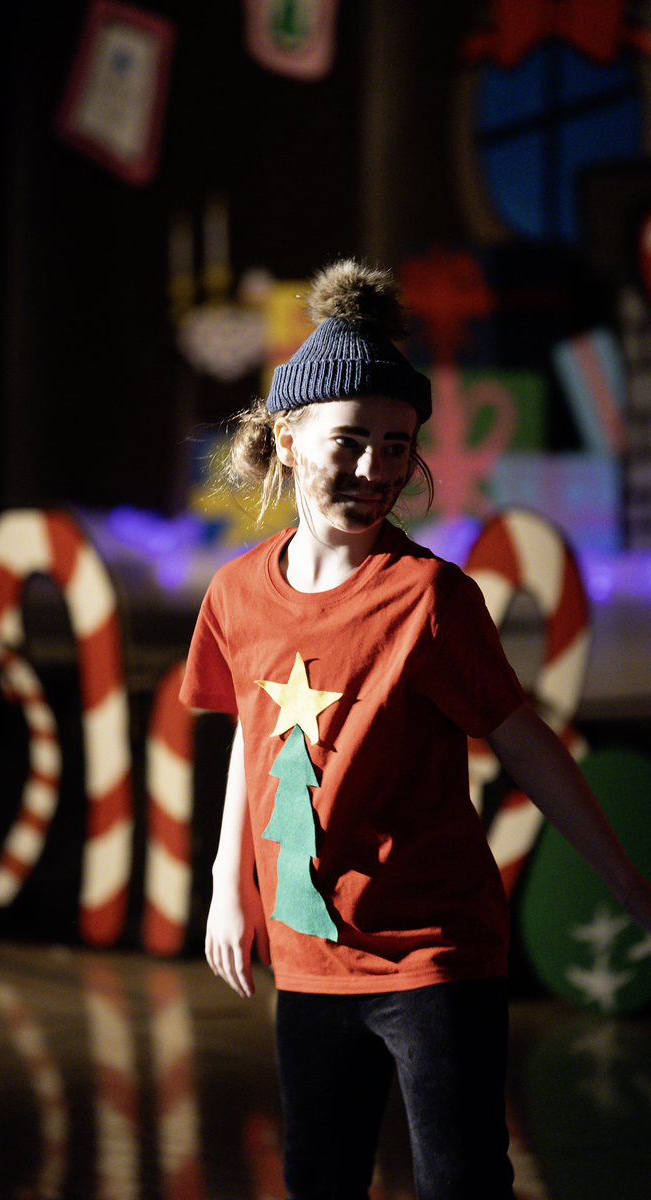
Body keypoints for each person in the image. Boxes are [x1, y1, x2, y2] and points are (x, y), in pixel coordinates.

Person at [178, 260, 651, 1200]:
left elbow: (525, 743)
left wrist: (629, 884)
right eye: (350, 442)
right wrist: (229, 887)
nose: (375, 471)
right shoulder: (235, 594)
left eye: (396, 447)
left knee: (461, 1180)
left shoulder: (431, 598)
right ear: (287, 439)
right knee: (320, 1179)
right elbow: (251, 736)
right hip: (309, 959)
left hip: (436, 956)